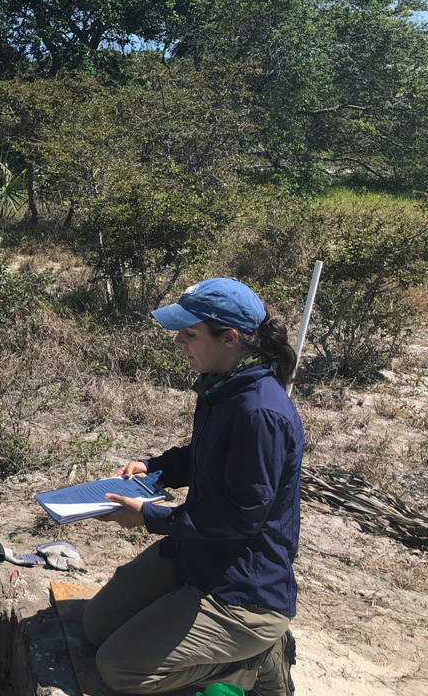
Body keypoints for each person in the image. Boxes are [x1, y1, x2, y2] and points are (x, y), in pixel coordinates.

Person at [84, 277, 302, 696]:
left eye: (190, 333)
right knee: (98, 627)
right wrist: (151, 468)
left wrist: (150, 516)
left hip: (243, 588)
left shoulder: (260, 413)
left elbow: (241, 517)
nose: (179, 342)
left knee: (119, 668)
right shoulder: (222, 385)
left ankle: (250, 665)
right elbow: (202, 456)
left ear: (230, 338)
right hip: (201, 551)